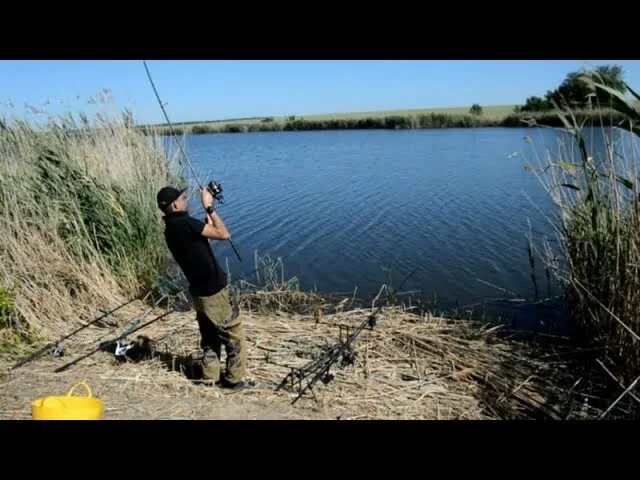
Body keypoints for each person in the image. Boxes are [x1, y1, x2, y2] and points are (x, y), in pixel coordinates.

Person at [156, 185, 253, 391]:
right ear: (175, 204)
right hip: (213, 291)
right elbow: (223, 233)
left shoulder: (171, 228)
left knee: (209, 337)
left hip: (198, 292)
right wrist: (208, 207)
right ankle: (233, 381)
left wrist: (208, 218)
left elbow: (205, 233)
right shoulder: (186, 223)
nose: (185, 200)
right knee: (235, 335)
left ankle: (209, 377)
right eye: (182, 198)